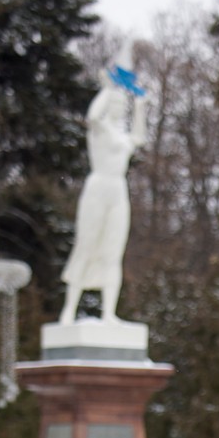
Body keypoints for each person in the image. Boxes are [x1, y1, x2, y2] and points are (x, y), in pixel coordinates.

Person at [57, 53, 149, 326]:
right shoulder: (99, 130)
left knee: (112, 251)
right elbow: (93, 117)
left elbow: (139, 138)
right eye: (116, 102)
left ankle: (109, 313)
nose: (120, 107)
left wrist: (141, 106)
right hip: (98, 185)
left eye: (123, 103)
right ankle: (69, 311)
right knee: (86, 245)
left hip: (118, 190)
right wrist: (107, 90)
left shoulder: (123, 136)